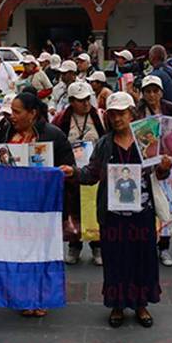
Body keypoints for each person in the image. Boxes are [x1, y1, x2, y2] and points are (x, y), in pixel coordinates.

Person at [62, 92, 170, 329]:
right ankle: (118, 305)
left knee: (143, 258)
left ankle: (141, 305)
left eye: (121, 113)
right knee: (115, 260)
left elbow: (160, 173)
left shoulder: (147, 138)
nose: (117, 118)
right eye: (112, 114)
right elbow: (92, 173)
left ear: (132, 113)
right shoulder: (104, 144)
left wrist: (164, 167)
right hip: (113, 216)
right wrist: (73, 173)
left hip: (142, 212)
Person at [0, 92, 74, 317]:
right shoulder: (4, 132)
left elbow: (70, 166)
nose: (12, 117)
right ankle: (23, 296)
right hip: (14, 206)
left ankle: (42, 297)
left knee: (42, 252)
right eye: (11, 112)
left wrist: (67, 171)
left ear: (33, 113)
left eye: (17, 112)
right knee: (18, 252)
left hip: (43, 208)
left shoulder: (53, 135)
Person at [52, 81, 106, 266]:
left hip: (94, 171)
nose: (85, 103)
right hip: (71, 172)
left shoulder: (100, 116)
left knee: (94, 208)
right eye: (80, 100)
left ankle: (97, 245)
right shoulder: (61, 119)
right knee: (73, 209)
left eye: (87, 99)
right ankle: (74, 246)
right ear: (71, 101)